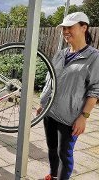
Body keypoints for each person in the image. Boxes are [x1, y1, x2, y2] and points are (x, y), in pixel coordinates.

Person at [38, 12, 99, 180]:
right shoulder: (60, 54)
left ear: (84, 28)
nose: (65, 31)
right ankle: (53, 175)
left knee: (64, 153)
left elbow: (95, 89)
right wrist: (43, 103)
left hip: (70, 117)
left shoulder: (94, 57)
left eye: (70, 27)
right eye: (63, 28)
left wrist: (84, 117)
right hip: (50, 112)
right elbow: (49, 80)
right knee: (51, 147)